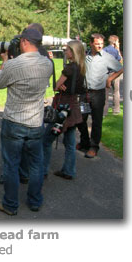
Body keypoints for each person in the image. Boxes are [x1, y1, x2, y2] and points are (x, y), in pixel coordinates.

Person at [0, 28, 53, 215]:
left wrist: (4, 61)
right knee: (36, 164)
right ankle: (35, 201)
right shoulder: (48, 64)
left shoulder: (14, 65)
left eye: (20, 41)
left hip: (14, 121)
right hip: (36, 121)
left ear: (25, 41)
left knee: (11, 164)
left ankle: (10, 204)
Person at [43, 41, 86, 180]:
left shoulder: (69, 68)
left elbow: (56, 86)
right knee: (70, 143)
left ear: (73, 52)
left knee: (46, 140)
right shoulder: (81, 67)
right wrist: (62, 85)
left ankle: (42, 170)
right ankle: (68, 170)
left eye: (67, 50)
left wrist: (58, 85)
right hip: (74, 105)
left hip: (64, 108)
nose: (65, 52)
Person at [76, 33, 123, 158]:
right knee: (80, 119)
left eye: (101, 44)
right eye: (97, 44)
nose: (100, 46)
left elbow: (121, 68)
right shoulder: (84, 56)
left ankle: (93, 147)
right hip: (84, 94)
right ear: (91, 43)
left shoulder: (106, 57)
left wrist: (109, 79)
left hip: (98, 94)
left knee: (97, 121)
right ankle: (84, 141)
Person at [103, 35, 123, 115]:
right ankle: (116, 110)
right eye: (118, 41)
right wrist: (118, 48)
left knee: (105, 93)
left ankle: (104, 112)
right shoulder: (115, 51)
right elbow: (120, 60)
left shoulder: (105, 49)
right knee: (116, 91)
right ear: (115, 42)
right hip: (115, 74)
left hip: (106, 73)